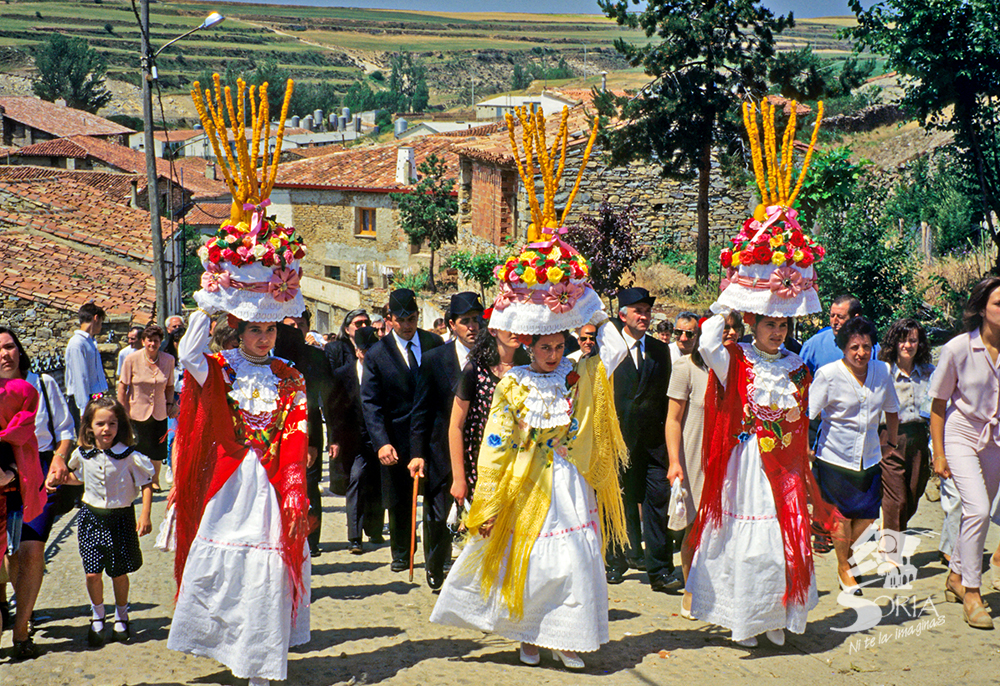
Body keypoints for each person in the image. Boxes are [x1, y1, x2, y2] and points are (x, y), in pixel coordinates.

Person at [430, 236, 629, 670]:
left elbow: (614, 351)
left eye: (560, 347)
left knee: (574, 558)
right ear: (530, 347)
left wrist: (587, 305)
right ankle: (527, 634)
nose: (553, 355)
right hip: (526, 483)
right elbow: (495, 446)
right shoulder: (514, 383)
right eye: (546, 348)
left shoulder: (578, 374)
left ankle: (567, 636)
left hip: (570, 483)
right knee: (535, 561)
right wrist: (485, 499)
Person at [929, 276, 1000, 629]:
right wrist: (938, 454)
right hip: (959, 435)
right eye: (999, 303)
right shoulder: (957, 348)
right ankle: (972, 591)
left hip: (996, 441)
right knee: (979, 508)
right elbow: (938, 405)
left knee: (978, 513)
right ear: (983, 309)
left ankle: (956, 575)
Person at [810, 317, 901, 593]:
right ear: (843, 349)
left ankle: (848, 557)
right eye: (854, 347)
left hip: (870, 457)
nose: (861, 353)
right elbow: (807, 415)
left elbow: (892, 409)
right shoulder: (827, 375)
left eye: (866, 346)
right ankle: (843, 568)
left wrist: (892, 443)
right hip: (834, 457)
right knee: (841, 517)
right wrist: (806, 449)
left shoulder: (882, 371)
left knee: (867, 517)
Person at [0, 327, 75, 659]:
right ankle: (9, 605)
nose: (5, 354)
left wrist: (59, 458)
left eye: (10, 346)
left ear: (19, 350)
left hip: (36, 472)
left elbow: (65, 431)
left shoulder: (42, 383)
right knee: (10, 552)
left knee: (30, 549)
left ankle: (21, 631)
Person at [666, 310, 743, 619]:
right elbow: (672, 420)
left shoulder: (742, 369)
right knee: (696, 528)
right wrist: (675, 462)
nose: (731, 333)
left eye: (736, 327)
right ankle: (690, 589)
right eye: (725, 327)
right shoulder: (686, 367)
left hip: (731, 456)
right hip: (694, 455)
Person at [361, 288, 444, 573]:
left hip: (433, 436)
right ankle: (401, 553)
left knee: (436, 497)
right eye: (401, 319)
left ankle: (438, 553)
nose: (407, 325)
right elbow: (370, 403)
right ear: (389, 319)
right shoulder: (377, 354)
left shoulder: (435, 343)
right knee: (399, 500)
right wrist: (381, 443)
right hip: (396, 438)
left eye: (412, 318)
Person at [62, 395, 153, 646]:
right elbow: (78, 477)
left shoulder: (128, 456)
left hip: (120, 519)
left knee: (118, 572)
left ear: (119, 425)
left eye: (112, 424)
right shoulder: (82, 455)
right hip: (91, 518)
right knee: (92, 573)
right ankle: (97, 614)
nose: (106, 429)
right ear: (89, 427)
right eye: (100, 424)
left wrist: (145, 515)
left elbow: (146, 484)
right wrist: (59, 478)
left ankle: (122, 615)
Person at [411, 293, 484, 590]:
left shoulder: (491, 358)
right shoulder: (434, 359)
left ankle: (477, 575)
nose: (472, 327)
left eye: (476, 320)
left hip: (480, 449)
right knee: (439, 515)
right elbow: (421, 410)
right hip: (441, 450)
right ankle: (436, 564)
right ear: (452, 325)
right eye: (465, 321)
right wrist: (417, 453)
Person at [606, 287, 676, 593]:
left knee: (657, 503)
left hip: (653, 446)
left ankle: (660, 570)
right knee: (617, 505)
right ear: (623, 315)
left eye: (647, 311)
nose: (644, 316)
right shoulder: (609, 349)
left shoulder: (661, 351)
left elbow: (666, 399)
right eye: (638, 311)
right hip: (618, 442)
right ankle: (616, 562)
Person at [449, 327, 529, 507]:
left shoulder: (529, 369)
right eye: (509, 325)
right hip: (481, 464)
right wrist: (459, 478)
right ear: (493, 330)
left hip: (519, 463)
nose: (515, 330)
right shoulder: (475, 369)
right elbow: (456, 426)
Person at [276, 315, 335, 558]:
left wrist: (332, 437)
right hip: (277, 434)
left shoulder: (317, 357)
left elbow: (329, 402)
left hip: (310, 433)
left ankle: (312, 540)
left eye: (300, 325)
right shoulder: (271, 358)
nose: (296, 330)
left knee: (310, 486)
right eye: (290, 326)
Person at [878, 318, 935, 540]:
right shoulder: (883, 372)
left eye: (913, 340)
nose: (907, 345)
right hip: (890, 436)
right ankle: (892, 552)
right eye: (902, 340)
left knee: (913, 494)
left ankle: (890, 529)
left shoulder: (930, 372)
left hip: (919, 438)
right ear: (894, 343)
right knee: (897, 499)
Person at [331, 327, 383, 555]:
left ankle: (375, 529)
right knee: (357, 480)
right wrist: (335, 440)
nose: (368, 354)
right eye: (364, 350)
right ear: (357, 351)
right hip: (355, 440)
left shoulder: (384, 370)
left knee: (379, 484)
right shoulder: (343, 374)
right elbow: (335, 411)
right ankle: (354, 536)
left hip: (381, 439)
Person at [118, 324, 177, 492]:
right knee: (137, 448)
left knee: (157, 450)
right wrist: (122, 412)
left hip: (159, 412)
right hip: (135, 411)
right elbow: (122, 387)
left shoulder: (168, 360)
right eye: (149, 340)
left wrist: (170, 403)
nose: (153, 344)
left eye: (156, 341)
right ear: (143, 341)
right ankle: (135, 480)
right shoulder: (131, 359)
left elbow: (170, 386)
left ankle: (155, 480)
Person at [64, 302, 108, 429]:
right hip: (83, 399)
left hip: (94, 395)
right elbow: (80, 377)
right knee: (86, 437)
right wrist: (83, 409)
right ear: (96, 318)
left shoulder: (90, 341)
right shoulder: (77, 343)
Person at [800, 294, 861, 374]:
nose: (834, 321)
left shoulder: (869, 346)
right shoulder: (813, 345)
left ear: (855, 319)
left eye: (840, 317)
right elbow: (799, 379)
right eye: (832, 316)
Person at [323, 309, 370, 375]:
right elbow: (332, 376)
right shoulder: (334, 348)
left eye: (367, 323)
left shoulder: (375, 347)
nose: (364, 326)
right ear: (347, 329)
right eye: (358, 323)